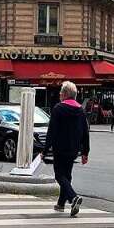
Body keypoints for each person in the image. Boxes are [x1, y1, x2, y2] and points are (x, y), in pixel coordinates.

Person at [44, 81, 90, 217]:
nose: (59, 94)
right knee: (67, 175)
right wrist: (85, 151)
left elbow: (51, 131)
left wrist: (45, 149)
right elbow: (85, 132)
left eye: (60, 92)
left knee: (59, 175)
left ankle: (73, 197)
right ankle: (61, 204)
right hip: (73, 149)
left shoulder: (58, 109)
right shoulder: (80, 110)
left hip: (60, 147)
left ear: (64, 94)